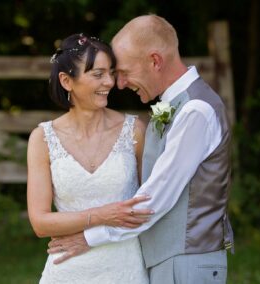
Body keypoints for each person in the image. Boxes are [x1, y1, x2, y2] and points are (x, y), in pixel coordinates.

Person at [47, 15, 234, 284]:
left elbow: (153, 202)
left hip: (187, 265)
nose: (118, 84)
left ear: (155, 61)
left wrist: (89, 238)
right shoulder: (179, 106)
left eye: (123, 72)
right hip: (169, 262)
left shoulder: (196, 111)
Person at [27, 33, 151, 283]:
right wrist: (102, 215)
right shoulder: (42, 139)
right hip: (67, 267)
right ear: (66, 81)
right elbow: (40, 222)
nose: (109, 82)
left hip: (125, 267)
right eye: (97, 74)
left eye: (110, 72)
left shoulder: (135, 130)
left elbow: (150, 204)